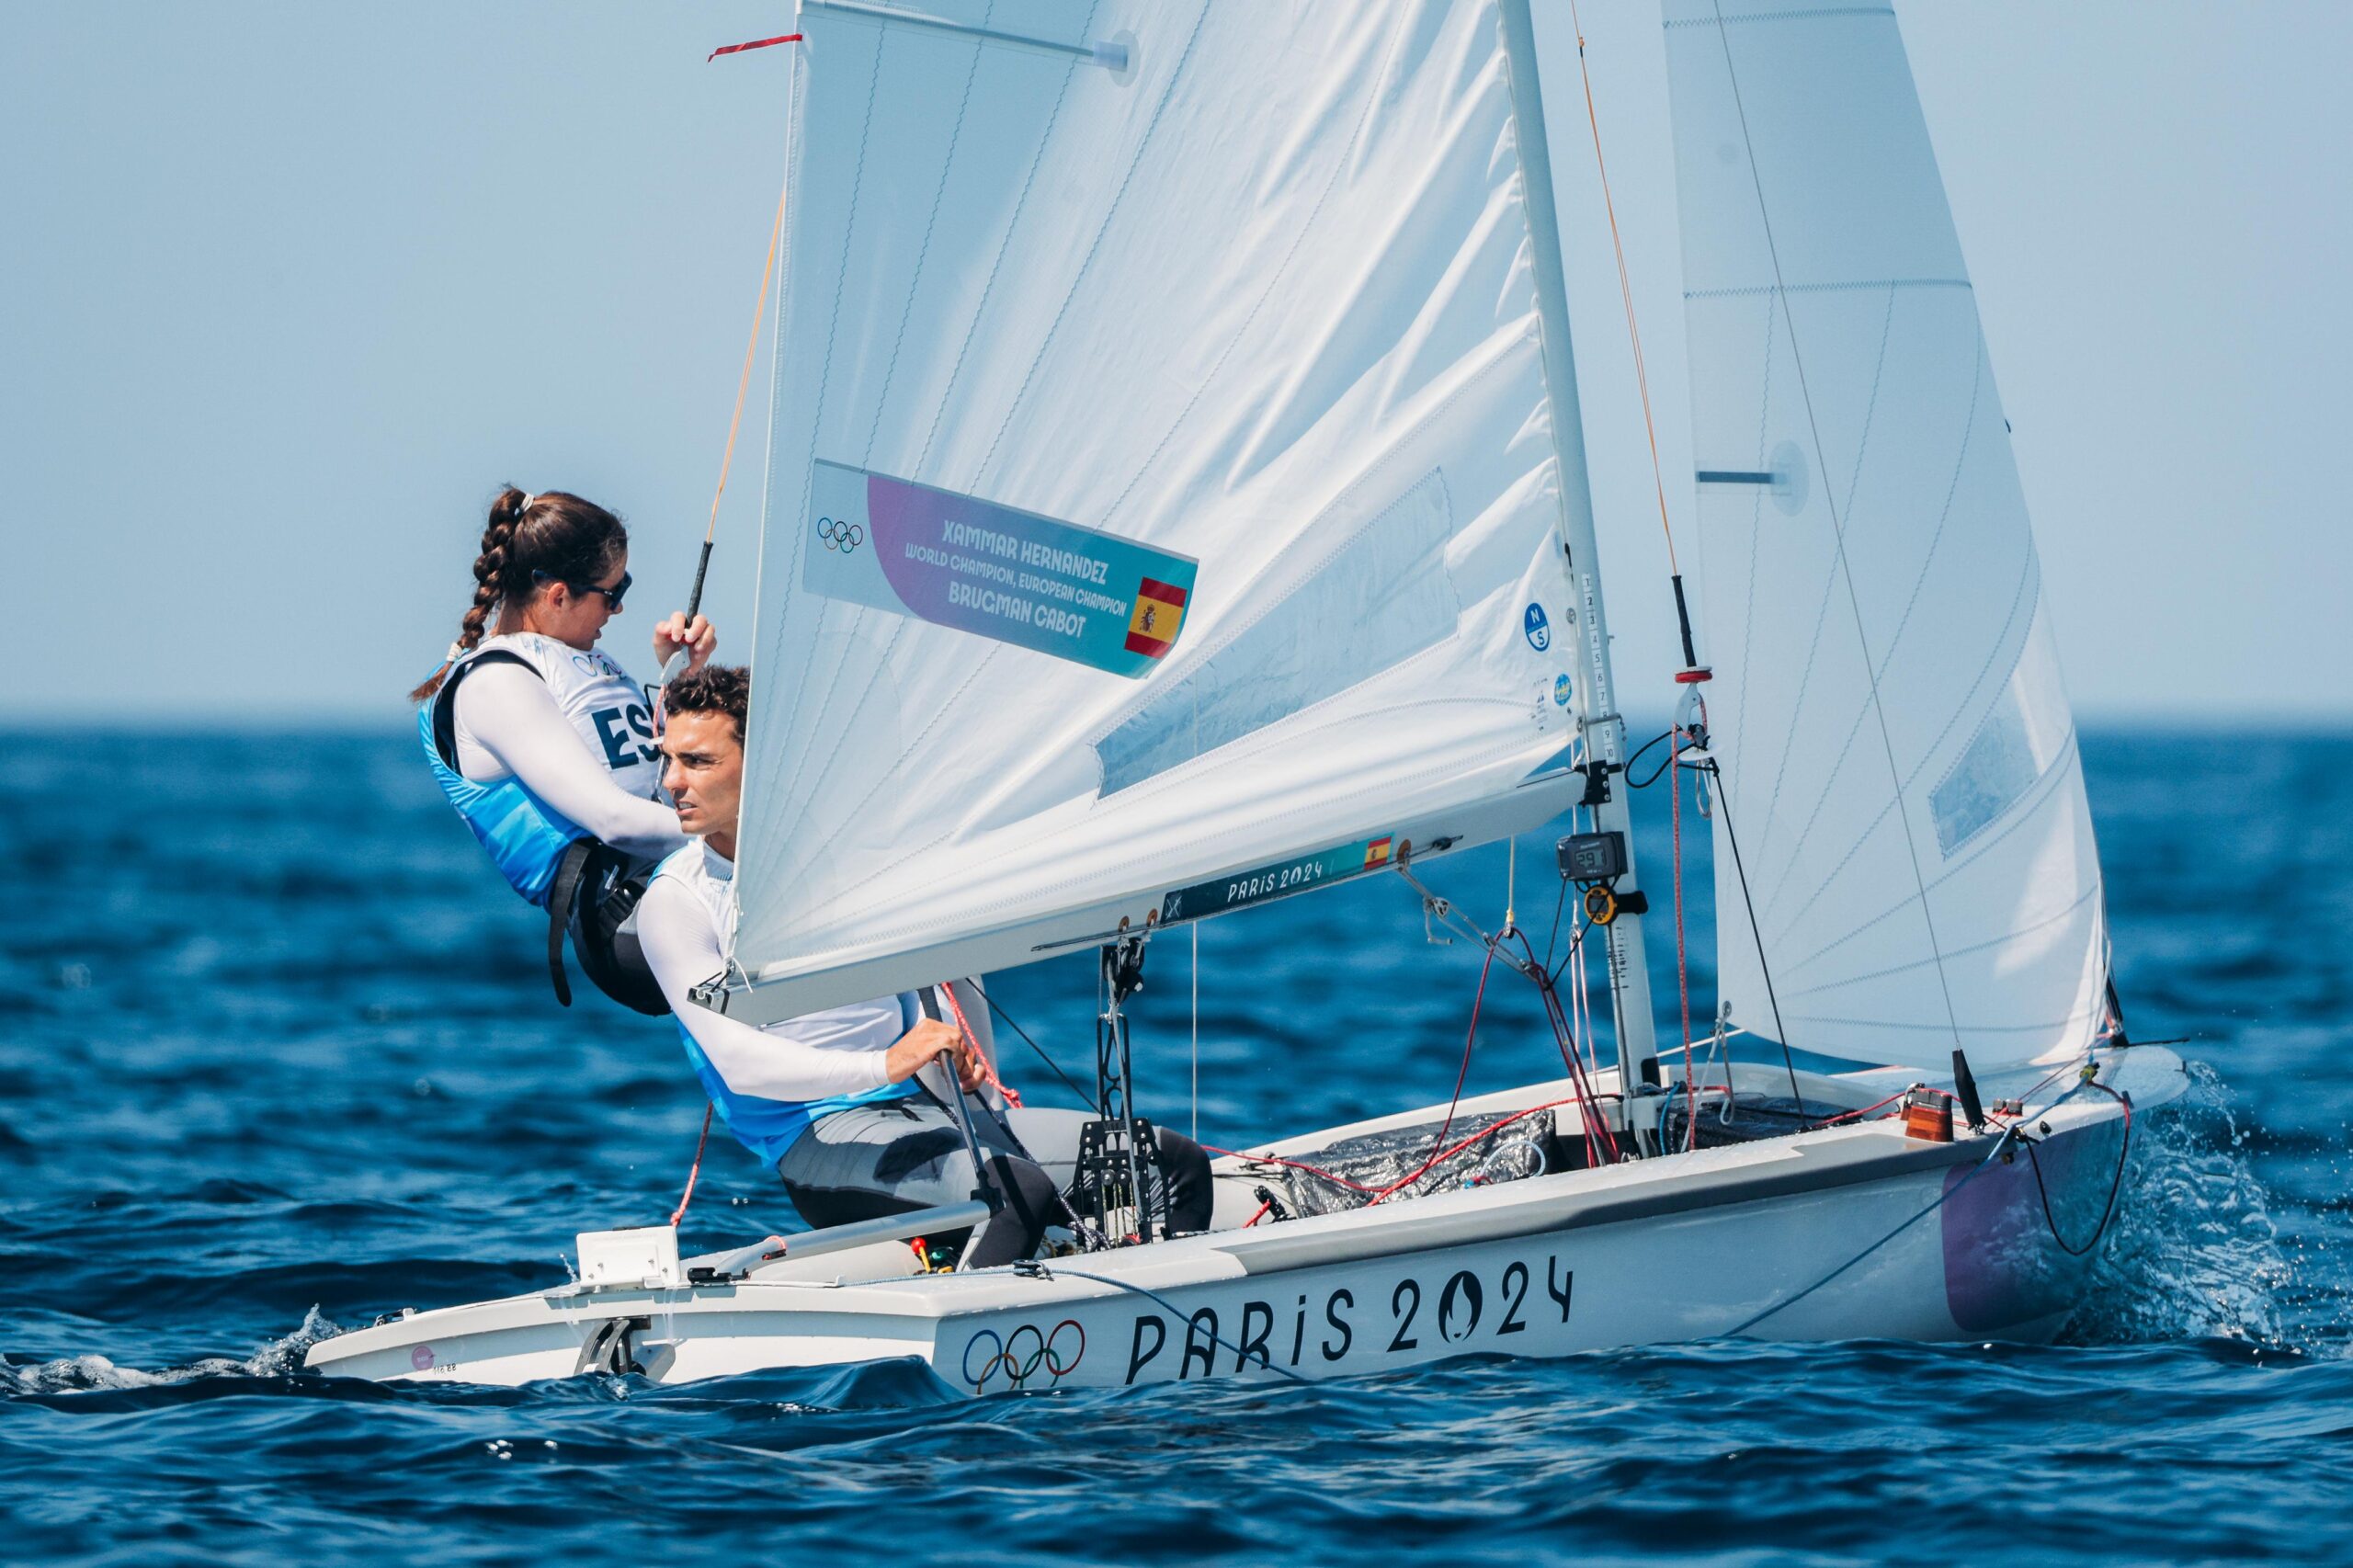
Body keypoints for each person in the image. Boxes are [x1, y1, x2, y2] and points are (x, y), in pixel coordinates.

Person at [639, 664, 1215, 1267]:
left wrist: (974, 1088)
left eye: (697, 761)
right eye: (669, 760)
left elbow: (946, 972)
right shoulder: (677, 902)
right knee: (1016, 1193)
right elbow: (739, 1064)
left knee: (1166, 1162)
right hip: (817, 1138)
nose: (673, 782)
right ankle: (986, 1347)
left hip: (923, 1110)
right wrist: (886, 1062)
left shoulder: (845, 858)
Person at [411, 485, 718, 1012]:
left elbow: (662, 773)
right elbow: (615, 819)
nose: (619, 608)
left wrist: (682, 675)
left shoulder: (575, 665)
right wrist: (750, 835)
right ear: (557, 595)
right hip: (623, 920)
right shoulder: (495, 686)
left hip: (676, 879)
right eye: (611, 591)